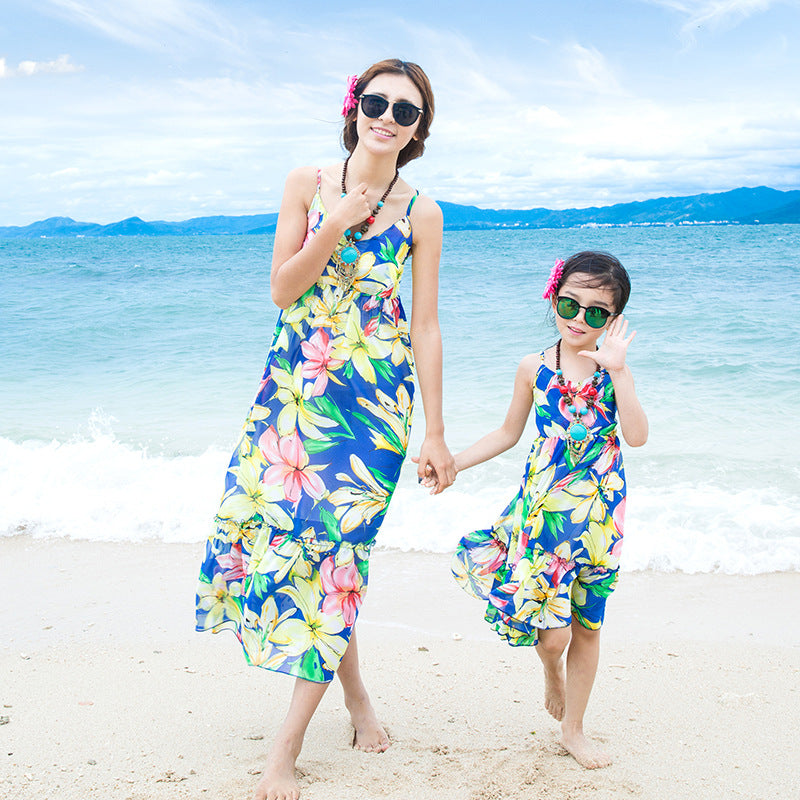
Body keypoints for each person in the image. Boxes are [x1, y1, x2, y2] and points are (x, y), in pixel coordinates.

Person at [195, 59, 455, 800]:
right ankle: (358, 694)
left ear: (418, 130)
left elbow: (428, 326)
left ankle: (285, 748)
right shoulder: (307, 183)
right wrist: (334, 224)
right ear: (354, 106)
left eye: (405, 111)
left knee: (336, 560)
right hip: (294, 395)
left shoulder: (423, 213)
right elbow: (282, 288)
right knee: (305, 554)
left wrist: (437, 432)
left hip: (375, 407)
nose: (387, 117)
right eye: (376, 102)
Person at [449, 251, 648, 769]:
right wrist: (453, 462)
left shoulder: (613, 370)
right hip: (543, 516)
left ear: (613, 318)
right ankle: (550, 671)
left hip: (600, 520)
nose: (580, 319)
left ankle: (574, 730)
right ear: (553, 299)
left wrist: (621, 375)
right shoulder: (534, 367)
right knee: (553, 633)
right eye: (570, 304)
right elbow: (507, 433)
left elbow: (638, 437)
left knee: (587, 627)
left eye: (597, 312)